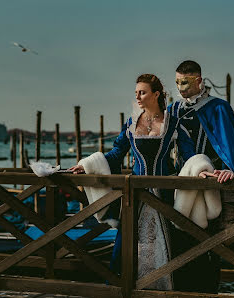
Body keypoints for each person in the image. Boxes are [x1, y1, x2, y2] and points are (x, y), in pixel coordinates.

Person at [69, 74, 218, 290]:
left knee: (175, 248)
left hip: (164, 198)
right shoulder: (131, 124)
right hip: (135, 198)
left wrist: (200, 170)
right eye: (136, 93)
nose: (138, 97)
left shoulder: (172, 123)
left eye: (143, 92)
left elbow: (188, 156)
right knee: (127, 248)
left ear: (156, 94)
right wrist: (87, 164)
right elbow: (116, 154)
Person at [168, 60, 234, 293]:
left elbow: (229, 144)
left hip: (213, 185)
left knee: (212, 244)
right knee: (182, 241)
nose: (180, 87)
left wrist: (230, 169)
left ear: (198, 81)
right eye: (177, 82)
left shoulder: (218, 107)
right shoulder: (173, 110)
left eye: (184, 82)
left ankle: (207, 292)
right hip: (183, 182)